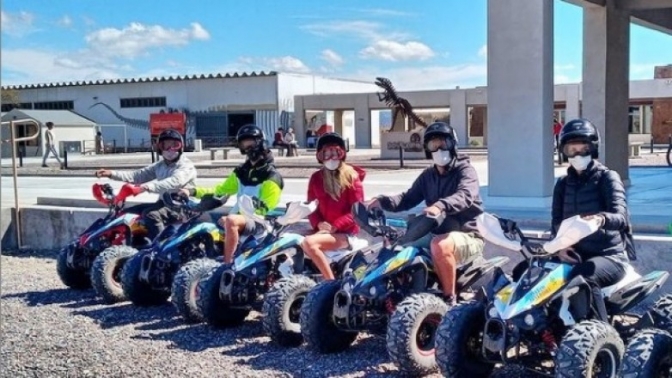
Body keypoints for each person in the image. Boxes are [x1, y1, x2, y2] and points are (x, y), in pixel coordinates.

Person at [512, 118, 629, 323]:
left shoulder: (608, 178)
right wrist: (560, 248)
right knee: (524, 271)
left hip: (609, 256)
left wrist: (601, 219)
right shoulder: (563, 183)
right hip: (574, 253)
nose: (576, 154)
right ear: (563, 151)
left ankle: (601, 332)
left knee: (583, 277)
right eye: (571, 149)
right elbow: (556, 223)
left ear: (592, 148)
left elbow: (621, 218)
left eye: (582, 148)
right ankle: (539, 325)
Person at [367, 122, 485, 305]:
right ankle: (393, 296)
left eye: (442, 144)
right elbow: (407, 198)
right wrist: (381, 201)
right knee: (397, 244)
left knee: (439, 245)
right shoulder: (428, 176)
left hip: (467, 234)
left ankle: (448, 300)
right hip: (436, 229)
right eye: (433, 145)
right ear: (427, 149)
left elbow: (465, 195)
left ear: (452, 144)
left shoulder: (466, 170)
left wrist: (441, 205)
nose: (438, 149)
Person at [181, 124, 284, 264]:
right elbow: (220, 190)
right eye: (244, 143)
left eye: (251, 142)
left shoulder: (272, 175)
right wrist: (191, 191)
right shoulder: (241, 171)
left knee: (231, 221)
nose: (248, 147)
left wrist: (235, 218)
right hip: (239, 220)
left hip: (261, 222)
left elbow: (265, 208)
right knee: (202, 226)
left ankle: (228, 265)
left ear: (260, 142)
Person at [95, 129, 197, 240]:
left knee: (151, 214)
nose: (169, 149)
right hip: (163, 203)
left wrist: (147, 187)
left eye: (174, 145)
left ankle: (160, 246)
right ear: (159, 148)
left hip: (181, 207)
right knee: (126, 214)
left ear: (181, 147)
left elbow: (175, 181)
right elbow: (137, 176)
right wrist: (111, 174)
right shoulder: (160, 165)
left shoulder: (186, 165)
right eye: (165, 145)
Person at [300, 132, 365, 280]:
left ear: (342, 154)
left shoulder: (351, 177)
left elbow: (357, 211)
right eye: (326, 153)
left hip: (346, 233)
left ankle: (329, 282)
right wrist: (318, 223)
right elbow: (311, 206)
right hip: (324, 231)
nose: (331, 158)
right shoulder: (316, 178)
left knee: (309, 243)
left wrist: (335, 226)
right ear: (319, 156)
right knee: (292, 242)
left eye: (335, 152)